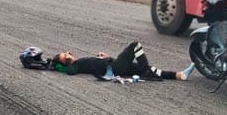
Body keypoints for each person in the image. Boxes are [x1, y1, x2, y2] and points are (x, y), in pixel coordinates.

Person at [53, 41, 195, 81]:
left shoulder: (79, 63)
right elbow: (69, 72)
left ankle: (179, 75)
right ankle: (145, 69)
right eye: (66, 56)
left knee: (148, 68)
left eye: (67, 53)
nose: (69, 54)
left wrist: (105, 57)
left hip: (114, 66)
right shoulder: (75, 66)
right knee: (135, 46)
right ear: (67, 62)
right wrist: (63, 66)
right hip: (115, 68)